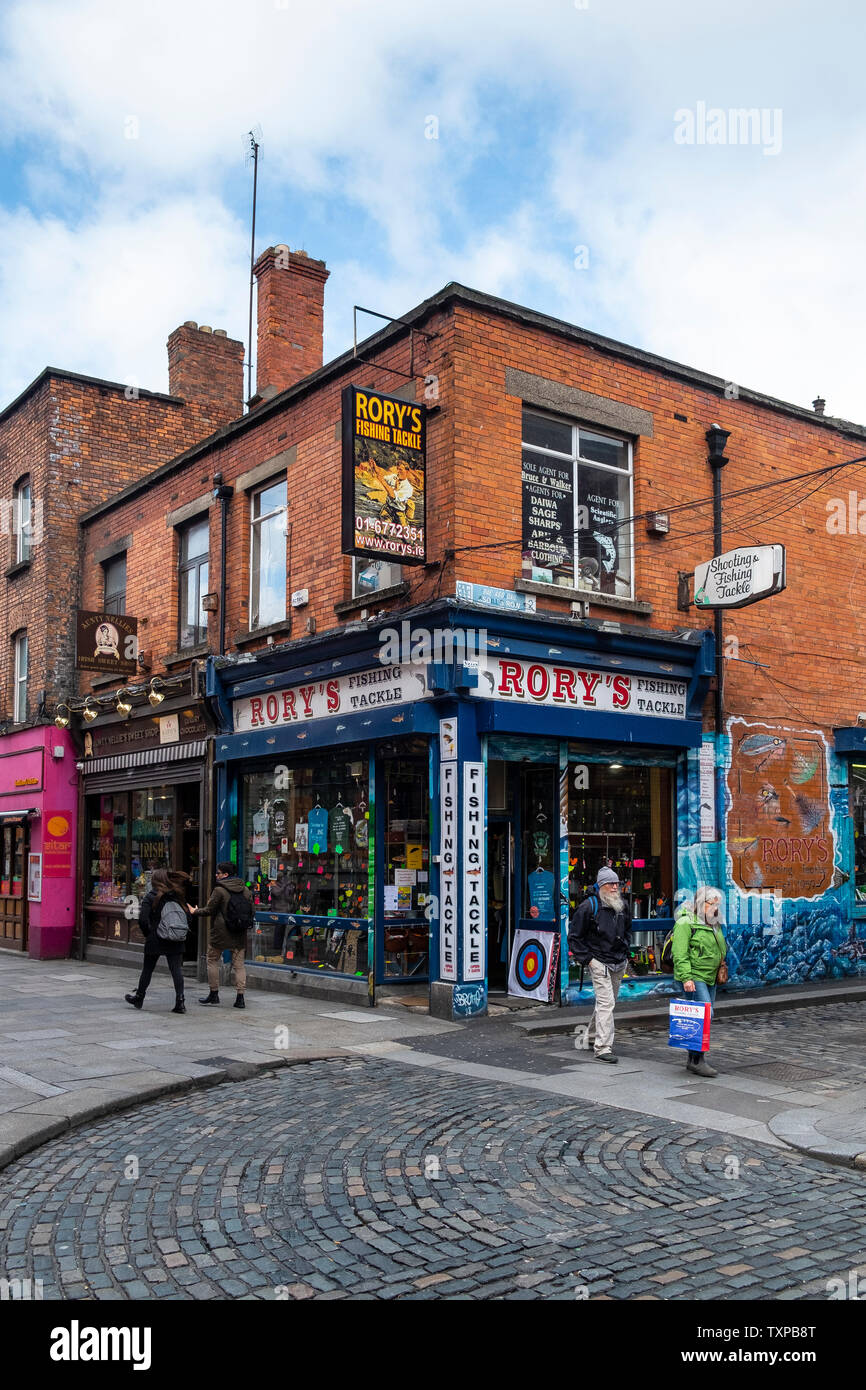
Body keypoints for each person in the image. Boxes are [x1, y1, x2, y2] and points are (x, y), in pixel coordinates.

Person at [567, 866, 631, 1063]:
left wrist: (626, 952)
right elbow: (574, 937)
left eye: (617, 883)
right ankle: (603, 1048)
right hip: (599, 962)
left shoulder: (622, 905)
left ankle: (591, 1038)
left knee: (606, 1003)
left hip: (618, 961)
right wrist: (589, 960)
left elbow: (628, 928)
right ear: (601, 885)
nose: (615, 887)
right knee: (607, 1003)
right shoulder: (588, 907)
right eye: (611, 883)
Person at [672, 885, 727, 1077]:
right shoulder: (685, 923)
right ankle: (698, 1060)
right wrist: (686, 977)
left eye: (718, 904)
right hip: (695, 976)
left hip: (709, 976)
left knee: (701, 1017)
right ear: (702, 904)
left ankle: (692, 1059)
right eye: (713, 903)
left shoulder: (712, 922)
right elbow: (679, 953)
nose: (716, 907)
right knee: (703, 1016)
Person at [124, 869, 191, 1014]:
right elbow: (187, 916)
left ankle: (139, 997)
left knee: (147, 969)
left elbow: (143, 920)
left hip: (156, 938)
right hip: (175, 938)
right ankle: (180, 1001)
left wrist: (149, 933)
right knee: (176, 970)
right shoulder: (177, 895)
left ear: (154, 881)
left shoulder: (151, 896)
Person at [194, 862, 253, 1009]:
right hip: (239, 931)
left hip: (220, 932)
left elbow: (209, 910)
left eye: (218, 873)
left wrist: (195, 911)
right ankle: (240, 998)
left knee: (212, 960)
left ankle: (214, 994)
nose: (216, 875)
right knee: (239, 966)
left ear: (225, 875)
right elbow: (252, 912)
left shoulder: (219, 890)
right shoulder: (246, 890)